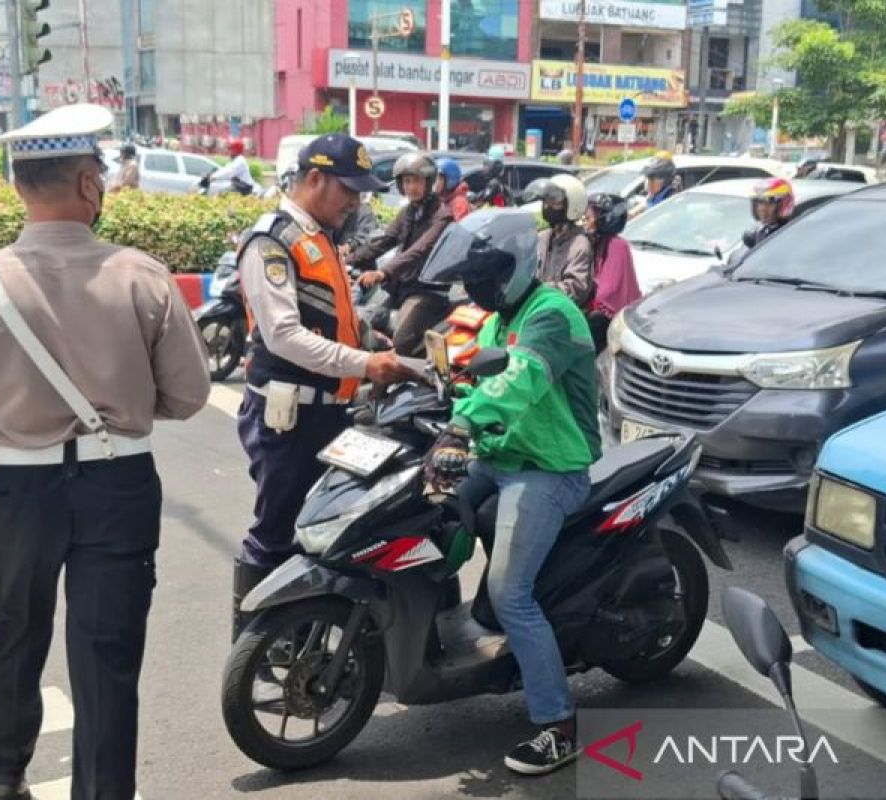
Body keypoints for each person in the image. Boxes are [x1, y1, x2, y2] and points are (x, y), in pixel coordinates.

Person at [0, 103, 210, 800]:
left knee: (16, 631)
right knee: (107, 656)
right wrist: (122, 414)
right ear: (89, 185)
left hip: (20, 489)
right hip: (119, 483)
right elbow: (188, 396)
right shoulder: (143, 277)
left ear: (16, 186)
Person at [417, 209, 601, 777]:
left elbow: (519, 381)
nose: (476, 289)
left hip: (551, 468)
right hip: (501, 457)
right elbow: (482, 375)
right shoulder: (501, 317)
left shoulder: (552, 315)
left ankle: (557, 726)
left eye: (485, 277)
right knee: (427, 515)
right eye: (471, 280)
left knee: (511, 591)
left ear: (518, 265)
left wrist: (463, 425)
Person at [233, 132, 418, 636]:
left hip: (327, 412)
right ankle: (256, 650)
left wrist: (373, 339)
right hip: (288, 414)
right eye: (349, 191)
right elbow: (284, 335)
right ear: (315, 178)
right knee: (276, 533)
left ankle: (304, 643)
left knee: (320, 529)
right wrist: (364, 364)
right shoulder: (272, 239)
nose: (356, 203)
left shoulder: (321, 236)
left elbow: (332, 312)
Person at [347, 153, 455, 356]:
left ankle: (384, 387)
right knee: (363, 326)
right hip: (400, 288)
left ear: (428, 182)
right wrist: (343, 260)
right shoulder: (408, 212)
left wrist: (382, 273)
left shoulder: (443, 216)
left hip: (426, 292)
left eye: (416, 181)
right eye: (407, 181)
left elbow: (419, 250)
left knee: (400, 341)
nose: (411, 187)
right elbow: (384, 241)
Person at [521, 175, 594, 308]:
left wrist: (539, 289)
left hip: (559, 312)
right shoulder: (542, 237)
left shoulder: (579, 244)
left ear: (572, 205)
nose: (547, 207)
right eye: (546, 202)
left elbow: (575, 289)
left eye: (554, 202)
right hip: (536, 306)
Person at [582, 193, 641, 353]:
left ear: (605, 218)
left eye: (590, 216)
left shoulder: (617, 245)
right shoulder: (596, 241)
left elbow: (609, 290)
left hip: (610, 317)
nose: (586, 220)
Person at [742, 177, 795, 251]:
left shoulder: (789, 235)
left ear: (784, 204)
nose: (762, 208)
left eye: (770, 202)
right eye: (759, 202)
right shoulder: (759, 232)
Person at [435, 157, 471, 221]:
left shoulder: (459, 203)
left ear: (451, 180)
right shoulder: (443, 199)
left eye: (440, 179)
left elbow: (459, 228)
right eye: (434, 178)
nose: (436, 182)